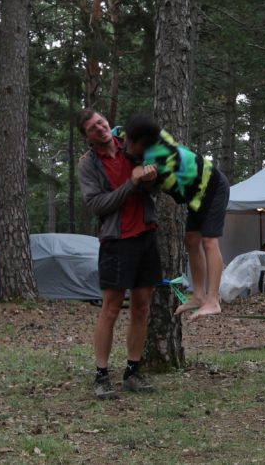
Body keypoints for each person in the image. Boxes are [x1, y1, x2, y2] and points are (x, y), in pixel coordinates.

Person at [76, 109, 162, 400]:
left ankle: (132, 372)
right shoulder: (88, 165)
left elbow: (154, 189)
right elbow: (98, 204)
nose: (99, 129)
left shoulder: (132, 147)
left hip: (146, 236)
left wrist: (150, 177)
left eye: (100, 122)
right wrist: (132, 183)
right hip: (116, 241)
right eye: (91, 129)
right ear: (87, 137)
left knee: (141, 307)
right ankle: (101, 375)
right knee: (110, 309)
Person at [119, 114, 230, 321]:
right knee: (191, 240)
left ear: (140, 144)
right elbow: (117, 132)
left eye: (128, 142)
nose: (124, 144)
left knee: (208, 241)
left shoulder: (156, 160)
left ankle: (213, 300)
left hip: (213, 186)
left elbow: (145, 183)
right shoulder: (145, 136)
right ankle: (198, 296)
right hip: (196, 194)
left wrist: (144, 177)